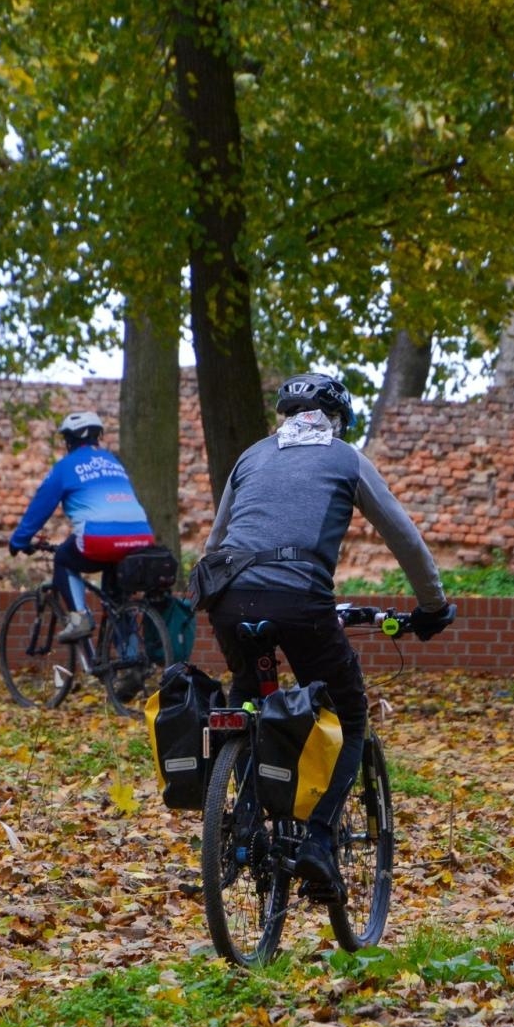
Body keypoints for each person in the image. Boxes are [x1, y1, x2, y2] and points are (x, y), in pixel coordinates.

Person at [203, 373, 455, 901]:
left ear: (285, 415)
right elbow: (404, 537)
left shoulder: (250, 457)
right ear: (338, 420)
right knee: (349, 712)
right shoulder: (345, 458)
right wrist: (432, 606)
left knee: (245, 695)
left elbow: (215, 541)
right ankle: (318, 839)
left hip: (227, 594)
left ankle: (244, 821)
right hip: (299, 599)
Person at [8, 411, 156, 647]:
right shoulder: (114, 462)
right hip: (140, 536)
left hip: (101, 537)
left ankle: (79, 618)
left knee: (63, 559)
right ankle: (131, 658)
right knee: (117, 600)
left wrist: (19, 541)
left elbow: (40, 507)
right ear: (98, 436)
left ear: (68, 440)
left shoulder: (65, 467)